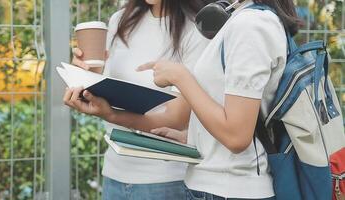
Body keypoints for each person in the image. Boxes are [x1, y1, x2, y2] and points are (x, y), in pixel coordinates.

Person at [65, 0, 300, 199]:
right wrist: (88, 78)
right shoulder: (238, 18)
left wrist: (180, 78)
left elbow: (234, 133)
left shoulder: (239, 25)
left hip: (202, 182)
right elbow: (221, 109)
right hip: (184, 178)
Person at [66, 0, 210, 199]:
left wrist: (112, 115)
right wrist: (87, 77)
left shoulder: (195, 29)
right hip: (114, 173)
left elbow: (176, 119)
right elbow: (107, 84)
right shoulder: (120, 21)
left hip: (166, 179)